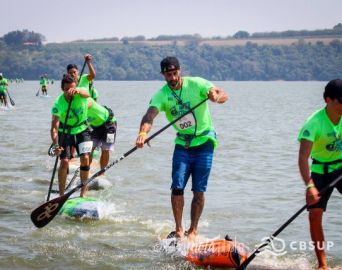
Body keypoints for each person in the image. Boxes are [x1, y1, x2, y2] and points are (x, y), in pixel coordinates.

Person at [135, 56, 228, 241]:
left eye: (175, 73)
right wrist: (143, 133)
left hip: (205, 142)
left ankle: (193, 230)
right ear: (163, 75)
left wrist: (216, 97)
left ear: (180, 70)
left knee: (198, 190)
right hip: (183, 145)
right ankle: (179, 229)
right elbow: (150, 115)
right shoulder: (161, 95)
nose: (172, 77)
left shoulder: (197, 83)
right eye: (168, 74)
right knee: (177, 187)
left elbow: (222, 94)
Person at [298, 79, 342, 270]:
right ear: (328, 100)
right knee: (315, 215)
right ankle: (322, 265)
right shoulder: (314, 122)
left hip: (341, 168)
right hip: (320, 171)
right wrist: (309, 186)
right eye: (341, 100)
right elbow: (302, 158)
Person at [50, 74, 92, 197]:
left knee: (85, 159)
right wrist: (56, 144)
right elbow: (54, 128)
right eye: (69, 89)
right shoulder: (58, 103)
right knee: (64, 162)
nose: (72, 92)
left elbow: (87, 94)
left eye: (74, 88)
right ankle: (61, 195)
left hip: (82, 129)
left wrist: (78, 90)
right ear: (63, 89)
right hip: (65, 132)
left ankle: (83, 194)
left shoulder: (80, 93)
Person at [87, 98, 117, 175]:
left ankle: (102, 173)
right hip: (95, 126)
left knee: (105, 149)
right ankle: (86, 172)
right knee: (89, 149)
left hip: (110, 125)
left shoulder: (88, 101)